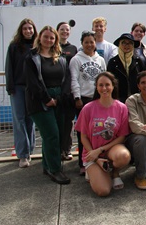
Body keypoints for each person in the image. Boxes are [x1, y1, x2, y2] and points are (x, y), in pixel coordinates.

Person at [24, 25, 71, 184]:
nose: (49, 40)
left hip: (59, 100)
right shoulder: (31, 58)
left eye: (52, 38)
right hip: (39, 101)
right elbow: (32, 82)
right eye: (46, 37)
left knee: (55, 134)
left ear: (55, 40)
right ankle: (55, 170)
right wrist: (46, 99)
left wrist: (60, 98)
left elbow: (67, 80)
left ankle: (47, 165)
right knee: (52, 134)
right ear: (40, 38)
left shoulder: (61, 57)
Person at [74, 72, 131, 196]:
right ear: (96, 87)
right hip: (92, 153)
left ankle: (114, 172)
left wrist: (100, 150)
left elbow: (122, 137)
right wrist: (94, 155)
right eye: (100, 85)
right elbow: (83, 136)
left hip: (109, 149)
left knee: (123, 156)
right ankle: (94, 170)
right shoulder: (88, 108)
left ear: (113, 86)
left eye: (107, 85)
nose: (104, 88)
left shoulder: (121, 108)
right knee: (103, 191)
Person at [70, 30, 107, 175]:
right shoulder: (76, 59)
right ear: (82, 43)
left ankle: (98, 158)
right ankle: (83, 162)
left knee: (98, 131)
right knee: (83, 133)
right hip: (83, 99)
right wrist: (77, 97)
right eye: (86, 42)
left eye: (92, 42)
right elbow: (74, 79)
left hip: (98, 99)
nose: (89, 45)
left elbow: (105, 78)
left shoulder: (100, 60)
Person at [5, 18, 38, 168]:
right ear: (21, 30)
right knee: (19, 119)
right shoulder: (14, 47)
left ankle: (29, 150)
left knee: (30, 119)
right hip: (18, 87)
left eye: (30, 28)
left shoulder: (36, 47)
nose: (28, 31)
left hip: (32, 88)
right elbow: (9, 67)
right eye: (25, 28)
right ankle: (23, 155)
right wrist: (10, 87)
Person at [56, 21, 78, 161]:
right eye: (62, 29)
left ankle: (67, 149)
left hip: (69, 90)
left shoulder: (73, 48)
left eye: (67, 29)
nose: (65, 32)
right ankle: (57, 150)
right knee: (57, 121)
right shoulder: (53, 47)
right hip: (56, 89)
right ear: (57, 31)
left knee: (68, 122)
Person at [107, 33, 146, 103]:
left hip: (137, 99)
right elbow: (109, 81)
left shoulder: (139, 61)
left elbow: (145, 78)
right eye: (123, 43)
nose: (126, 45)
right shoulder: (113, 62)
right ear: (119, 44)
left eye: (129, 43)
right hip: (118, 98)